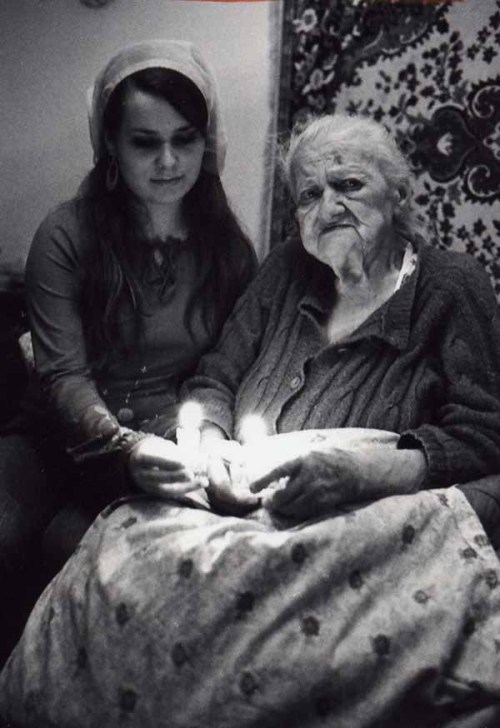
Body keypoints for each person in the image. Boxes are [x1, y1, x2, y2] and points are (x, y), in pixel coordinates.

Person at [0, 39, 256, 651]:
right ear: (109, 144)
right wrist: (121, 448)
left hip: (172, 446)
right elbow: (62, 377)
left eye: (186, 139)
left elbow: (230, 367)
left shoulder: (228, 248)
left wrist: (197, 442)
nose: (169, 160)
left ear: (207, 142)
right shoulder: (65, 234)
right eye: (145, 141)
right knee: (5, 533)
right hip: (54, 438)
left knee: (92, 553)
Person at [175, 113, 500, 532]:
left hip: (369, 532)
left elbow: (486, 434)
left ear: (398, 194)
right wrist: (212, 453)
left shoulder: (450, 285)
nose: (328, 208)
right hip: (240, 516)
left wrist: (366, 474)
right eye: (310, 194)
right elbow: (213, 380)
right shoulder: (285, 268)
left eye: (349, 185)